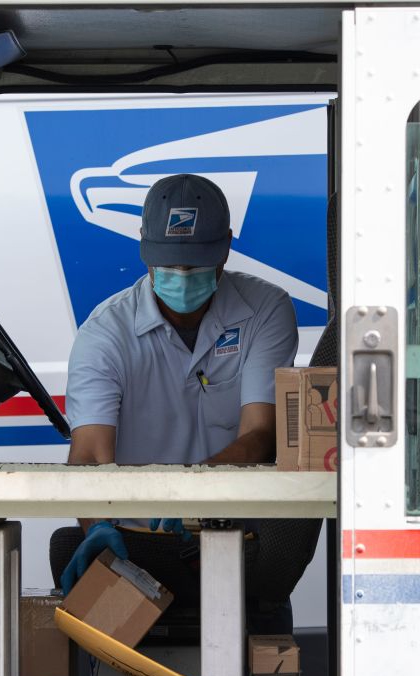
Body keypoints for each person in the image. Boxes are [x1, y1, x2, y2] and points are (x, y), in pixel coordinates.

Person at [53, 174, 299, 627]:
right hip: (138, 539)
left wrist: (191, 501)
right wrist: (98, 525)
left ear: (225, 249)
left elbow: (261, 435)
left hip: (231, 529)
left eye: (195, 264)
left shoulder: (266, 309)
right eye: (170, 264)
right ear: (144, 249)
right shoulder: (105, 333)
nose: (182, 277)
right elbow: (88, 455)